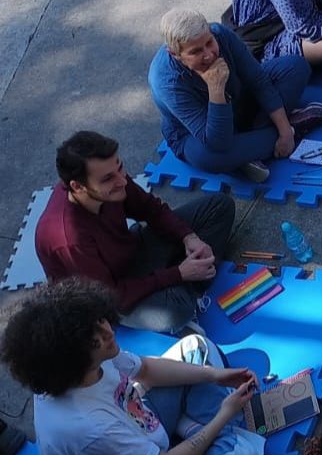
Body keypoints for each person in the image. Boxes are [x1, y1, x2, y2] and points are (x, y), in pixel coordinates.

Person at [0, 279, 281, 455]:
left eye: (100, 320)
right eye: (95, 335)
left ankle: (196, 431)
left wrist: (215, 376)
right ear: (71, 356)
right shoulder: (87, 428)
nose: (108, 330)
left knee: (196, 346)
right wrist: (224, 414)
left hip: (142, 423)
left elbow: (145, 370)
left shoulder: (88, 359)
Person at [36, 131, 233, 334]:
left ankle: (191, 280)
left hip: (133, 252)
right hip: (112, 296)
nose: (122, 180)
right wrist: (178, 274)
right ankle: (191, 282)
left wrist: (188, 237)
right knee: (176, 312)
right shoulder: (68, 237)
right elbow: (110, 297)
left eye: (120, 167)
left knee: (219, 206)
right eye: (108, 179)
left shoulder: (114, 180)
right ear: (78, 187)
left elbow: (150, 208)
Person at [149, 8, 322, 183]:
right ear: (174, 54)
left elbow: (258, 79)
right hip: (202, 132)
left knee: (296, 67)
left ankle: (250, 151)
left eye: (209, 43)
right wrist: (216, 88)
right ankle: (294, 127)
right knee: (208, 158)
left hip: (240, 101)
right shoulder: (166, 82)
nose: (209, 55)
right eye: (196, 52)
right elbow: (217, 141)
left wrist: (285, 131)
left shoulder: (221, 34)